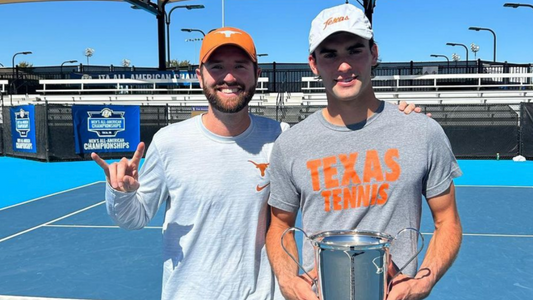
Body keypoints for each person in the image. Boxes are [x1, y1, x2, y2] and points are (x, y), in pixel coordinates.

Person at [91, 27, 422, 300]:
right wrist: (120, 191)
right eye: (217, 67)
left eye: (240, 66)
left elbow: (345, 147)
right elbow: (133, 219)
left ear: (256, 74)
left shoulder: (281, 137)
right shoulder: (168, 142)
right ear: (199, 75)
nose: (229, 77)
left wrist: (395, 120)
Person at [265, 4, 463, 300]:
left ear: (373, 53)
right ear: (314, 63)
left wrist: (424, 280)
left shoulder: (422, 131)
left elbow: (448, 221)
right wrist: (287, 280)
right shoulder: (291, 144)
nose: (343, 65)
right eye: (330, 54)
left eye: (354, 50)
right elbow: (279, 224)